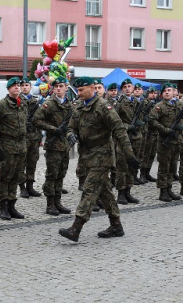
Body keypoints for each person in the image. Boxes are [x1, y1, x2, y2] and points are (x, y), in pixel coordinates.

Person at [59, 77, 141, 242]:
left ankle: (76, 227)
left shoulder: (103, 106)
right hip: (87, 154)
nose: (79, 93)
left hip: (102, 154)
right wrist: (70, 135)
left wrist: (129, 154)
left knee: (89, 189)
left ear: (92, 88)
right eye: (78, 91)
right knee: (105, 192)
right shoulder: (79, 106)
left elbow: (119, 130)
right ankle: (116, 225)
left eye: (82, 90)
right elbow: (71, 127)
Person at [32, 77, 74, 216]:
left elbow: (72, 124)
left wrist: (70, 134)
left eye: (61, 86)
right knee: (52, 175)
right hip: (53, 145)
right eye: (56, 86)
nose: (59, 89)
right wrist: (52, 129)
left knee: (61, 175)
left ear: (66, 88)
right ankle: (50, 204)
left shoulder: (69, 105)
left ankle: (58, 202)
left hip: (65, 145)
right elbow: (36, 120)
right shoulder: (48, 104)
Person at [0, 77, 28, 221]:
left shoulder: (22, 104)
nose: (17, 88)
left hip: (20, 147)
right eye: (14, 86)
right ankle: (3, 207)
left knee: (16, 177)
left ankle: (12, 205)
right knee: (5, 177)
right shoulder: (1, 106)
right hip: (6, 146)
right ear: (9, 89)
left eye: (19, 85)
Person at [148, 82, 183, 201]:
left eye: (169, 90)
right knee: (164, 167)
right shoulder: (159, 106)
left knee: (172, 167)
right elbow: (152, 120)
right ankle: (163, 191)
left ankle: (169, 189)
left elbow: (181, 120)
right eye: (165, 91)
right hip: (165, 141)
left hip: (176, 140)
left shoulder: (177, 105)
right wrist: (165, 130)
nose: (167, 92)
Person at [20, 78, 42, 198]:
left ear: (30, 87)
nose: (24, 87)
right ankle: (22, 187)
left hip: (34, 136)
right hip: (22, 137)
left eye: (27, 85)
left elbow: (40, 118)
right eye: (22, 85)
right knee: (21, 163)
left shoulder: (36, 101)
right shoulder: (17, 100)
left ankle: (30, 186)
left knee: (32, 162)